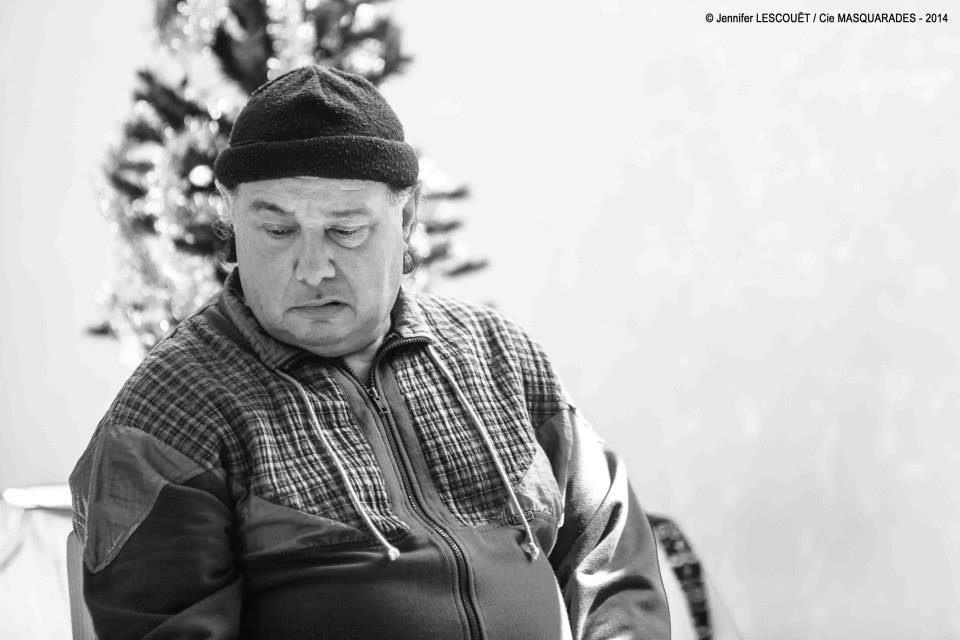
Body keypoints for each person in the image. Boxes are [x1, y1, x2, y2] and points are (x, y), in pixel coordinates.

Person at [70, 65, 670, 640]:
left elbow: (607, 543)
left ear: (406, 217)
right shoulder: (171, 411)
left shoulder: (498, 355)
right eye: (277, 231)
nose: (312, 268)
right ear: (231, 216)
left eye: (346, 230)